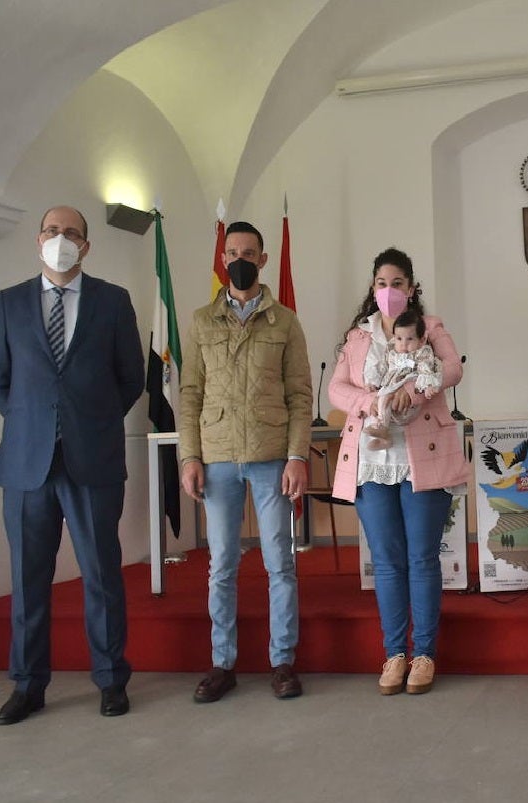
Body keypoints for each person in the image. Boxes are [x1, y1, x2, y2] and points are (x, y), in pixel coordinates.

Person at [0, 206, 144, 724]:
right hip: (26, 465)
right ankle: (28, 685)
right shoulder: (9, 303)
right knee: (29, 579)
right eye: (52, 231)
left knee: (101, 575)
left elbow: (130, 378)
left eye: (71, 233)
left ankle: (110, 680)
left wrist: (87, 421)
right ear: (38, 240)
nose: (60, 239)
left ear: (86, 246)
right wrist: (38, 423)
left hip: (92, 460)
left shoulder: (113, 302)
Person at [179, 220, 313, 703]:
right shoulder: (200, 321)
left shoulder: (286, 321)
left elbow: (301, 395)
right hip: (216, 459)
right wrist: (189, 456)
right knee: (222, 566)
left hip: (271, 457)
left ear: (262, 259)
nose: (239, 258)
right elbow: (189, 393)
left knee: (280, 562)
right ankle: (222, 662)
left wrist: (297, 455)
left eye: (249, 252)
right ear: (222, 260)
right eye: (231, 251)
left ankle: (282, 660)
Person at [329, 247, 469, 696]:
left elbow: (451, 369)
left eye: (397, 284)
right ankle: (394, 655)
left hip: (420, 455)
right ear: (373, 289)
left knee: (421, 558)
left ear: (411, 288)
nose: (389, 292)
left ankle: (424, 653)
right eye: (381, 284)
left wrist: (411, 388)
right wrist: (370, 402)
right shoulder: (358, 337)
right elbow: (336, 388)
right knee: (386, 562)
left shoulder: (429, 329)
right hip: (372, 460)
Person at [362, 308, 443, 449]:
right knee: (382, 398)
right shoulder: (392, 353)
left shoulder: (422, 353)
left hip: (409, 401)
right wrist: (372, 382)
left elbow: (427, 369)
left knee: (385, 397)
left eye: (410, 339)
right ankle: (383, 434)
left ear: (422, 340)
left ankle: (382, 427)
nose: (403, 344)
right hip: (393, 396)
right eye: (399, 339)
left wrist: (428, 386)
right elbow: (382, 368)